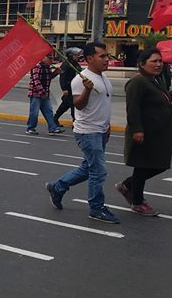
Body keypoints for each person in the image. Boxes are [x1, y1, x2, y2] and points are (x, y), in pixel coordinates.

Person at [45, 42, 119, 224]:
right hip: (88, 132)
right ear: (89, 58)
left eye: (107, 56)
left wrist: (107, 126)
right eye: (102, 56)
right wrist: (87, 89)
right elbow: (78, 105)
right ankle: (96, 208)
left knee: (88, 168)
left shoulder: (103, 78)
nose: (107, 59)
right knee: (98, 171)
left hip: (100, 130)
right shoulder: (80, 79)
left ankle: (57, 187)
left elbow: (102, 105)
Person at [115, 49, 172, 216]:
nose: (158, 64)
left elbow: (162, 100)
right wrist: (137, 130)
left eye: (160, 61)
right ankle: (137, 202)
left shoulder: (154, 80)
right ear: (142, 64)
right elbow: (133, 108)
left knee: (159, 164)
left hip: (158, 133)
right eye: (154, 61)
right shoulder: (137, 82)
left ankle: (127, 186)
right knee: (143, 166)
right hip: (144, 133)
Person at [26, 54, 63, 135]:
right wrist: (42, 92)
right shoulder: (36, 66)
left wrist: (56, 72)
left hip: (45, 93)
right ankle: (30, 128)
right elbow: (36, 80)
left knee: (49, 111)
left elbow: (49, 78)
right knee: (34, 112)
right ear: (43, 58)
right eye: (49, 59)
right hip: (36, 94)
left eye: (52, 59)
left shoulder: (47, 67)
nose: (51, 61)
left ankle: (52, 128)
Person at [53, 47, 83, 124]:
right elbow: (62, 76)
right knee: (73, 105)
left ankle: (55, 118)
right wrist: (64, 88)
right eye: (76, 55)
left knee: (65, 105)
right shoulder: (66, 64)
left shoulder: (75, 64)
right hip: (69, 88)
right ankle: (75, 122)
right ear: (71, 55)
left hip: (75, 88)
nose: (78, 57)